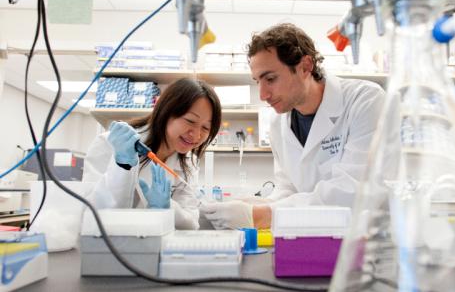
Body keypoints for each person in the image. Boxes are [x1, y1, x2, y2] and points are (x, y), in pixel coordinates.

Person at [201, 23, 385, 230]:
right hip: (307, 241)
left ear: (305, 66)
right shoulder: (277, 122)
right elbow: (288, 188)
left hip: (363, 243)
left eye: (270, 79)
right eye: (257, 82)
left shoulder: (365, 101)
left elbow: (353, 191)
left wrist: (262, 215)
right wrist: (257, 204)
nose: (263, 95)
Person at [83, 78, 221, 230]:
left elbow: (191, 223)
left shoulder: (188, 162)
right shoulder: (109, 144)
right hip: (110, 246)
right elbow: (90, 213)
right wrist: (121, 166)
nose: (196, 135)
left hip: (158, 247)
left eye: (206, 128)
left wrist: (167, 207)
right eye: (190, 121)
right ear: (166, 111)